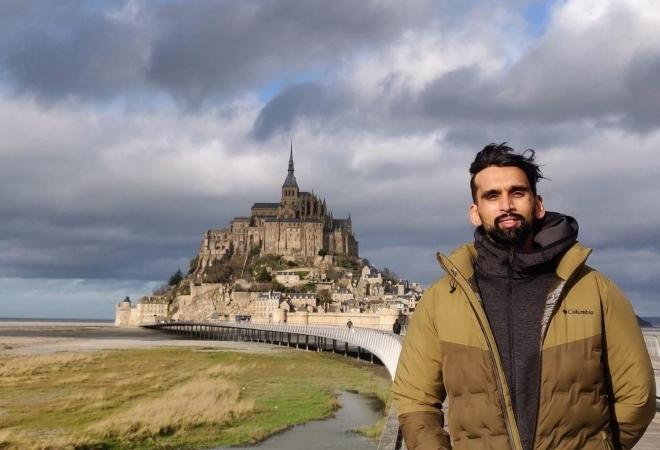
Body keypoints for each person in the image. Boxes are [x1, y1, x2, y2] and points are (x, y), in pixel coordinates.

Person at [391, 143, 655, 450]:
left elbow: (638, 395)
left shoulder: (595, 289)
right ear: (475, 213)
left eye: (517, 192)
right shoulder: (441, 300)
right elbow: (415, 400)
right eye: (492, 196)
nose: (506, 205)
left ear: (538, 204)